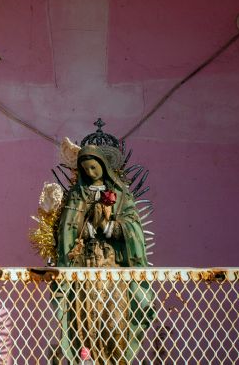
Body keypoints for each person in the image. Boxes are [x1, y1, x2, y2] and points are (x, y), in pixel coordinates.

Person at [53, 142, 153, 364]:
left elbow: (133, 226)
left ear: (103, 166)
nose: (90, 172)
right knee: (87, 323)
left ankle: (116, 359)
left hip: (113, 270)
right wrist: (86, 229)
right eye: (86, 169)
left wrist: (109, 228)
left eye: (94, 167)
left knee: (115, 323)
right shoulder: (77, 195)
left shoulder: (120, 194)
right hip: (85, 270)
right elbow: (67, 228)